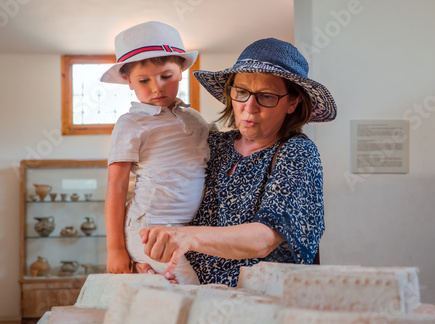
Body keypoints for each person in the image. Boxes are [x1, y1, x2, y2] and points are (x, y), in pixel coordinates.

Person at [136, 37, 337, 287]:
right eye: (241, 92)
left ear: (293, 103)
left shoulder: (297, 153)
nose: (249, 108)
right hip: (190, 293)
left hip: (257, 304)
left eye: (267, 96)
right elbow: (163, 196)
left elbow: (265, 238)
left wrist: (185, 236)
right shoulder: (213, 145)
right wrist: (146, 257)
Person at [102, 21, 210, 285]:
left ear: (181, 71)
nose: (156, 87)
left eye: (166, 76)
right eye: (144, 80)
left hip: (187, 229)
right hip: (148, 229)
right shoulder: (131, 123)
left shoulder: (195, 119)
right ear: (128, 81)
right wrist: (115, 249)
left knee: (179, 298)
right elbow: (116, 187)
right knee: (190, 291)